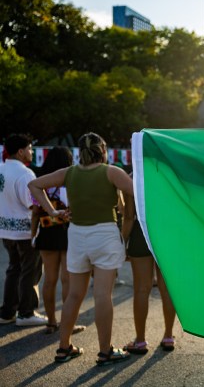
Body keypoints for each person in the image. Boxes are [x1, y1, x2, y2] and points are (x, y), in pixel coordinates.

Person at [28, 132, 134, 366]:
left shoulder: (69, 173)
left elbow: (34, 185)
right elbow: (138, 193)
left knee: (74, 295)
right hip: (104, 235)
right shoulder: (111, 172)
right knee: (102, 295)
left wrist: (53, 212)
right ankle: (105, 351)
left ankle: (64, 347)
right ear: (103, 150)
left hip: (76, 235)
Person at [31, 146, 85, 334]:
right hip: (68, 231)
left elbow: (35, 212)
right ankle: (67, 323)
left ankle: (51, 321)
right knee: (67, 279)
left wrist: (32, 235)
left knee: (49, 279)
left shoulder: (43, 182)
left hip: (47, 231)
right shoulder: (72, 180)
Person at [0, 134, 47, 326]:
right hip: (25, 230)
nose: (32, 152)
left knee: (13, 269)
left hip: (5, 229)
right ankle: (26, 313)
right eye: (29, 148)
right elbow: (32, 205)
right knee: (30, 270)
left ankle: (7, 312)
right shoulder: (25, 174)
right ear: (20, 152)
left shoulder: (1, 169)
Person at [122, 191, 177, 354]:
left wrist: (123, 241)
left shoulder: (133, 177)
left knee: (141, 288)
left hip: (140, 231)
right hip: (166, 231)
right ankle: (168, 336)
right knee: (167, 288)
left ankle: (140, 340)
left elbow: (129, 216)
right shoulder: (168, 169)